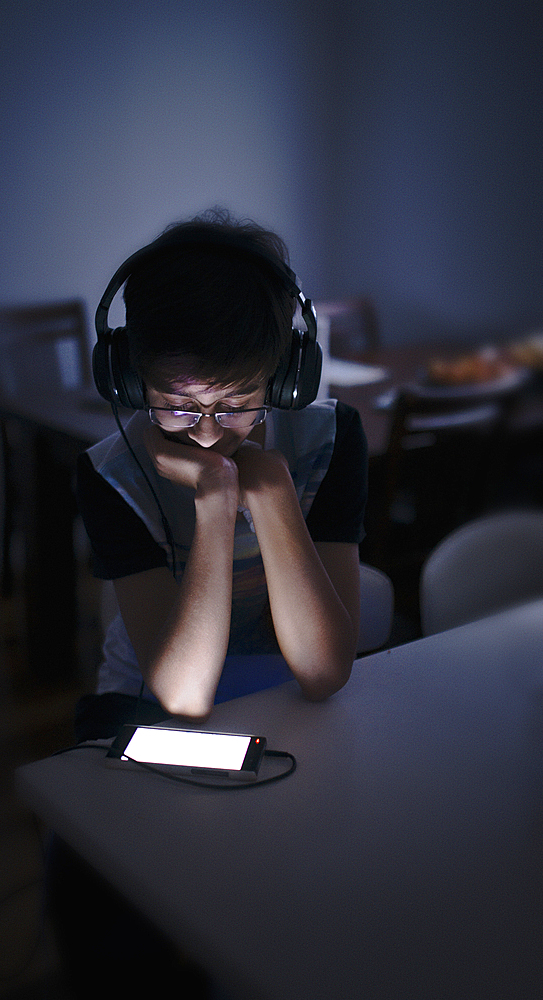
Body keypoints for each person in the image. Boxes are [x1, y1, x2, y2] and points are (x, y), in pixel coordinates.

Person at [76, 208, 367, 731]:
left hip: (285, 689)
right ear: (132, 382)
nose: (207, 434)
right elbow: (184, 696)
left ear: (283, 382)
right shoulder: (112, 477)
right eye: (178, 403)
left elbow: (324, 674)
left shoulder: (329, 442)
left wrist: (273, 488)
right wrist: (217, 495)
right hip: (148, 700)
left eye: (236, 404)